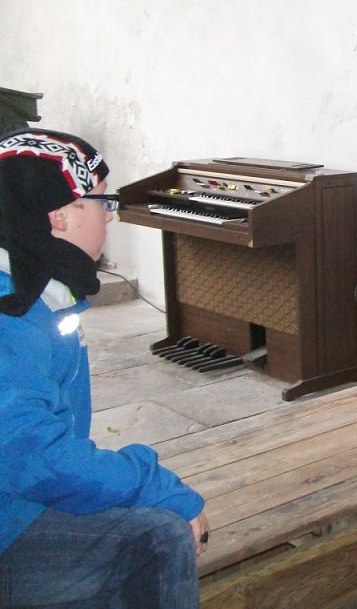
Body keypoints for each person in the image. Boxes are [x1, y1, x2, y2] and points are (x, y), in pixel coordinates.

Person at [0, 129, 208, 608]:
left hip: (16, 502)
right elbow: (31, 457)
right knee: (158, 539)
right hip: (9, 521)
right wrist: (151, 483)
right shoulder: (12, 314)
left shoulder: (33, 287)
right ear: (59, 215)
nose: (110, 215)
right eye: (101, 201)